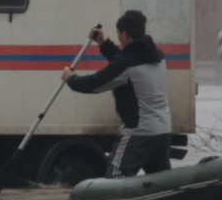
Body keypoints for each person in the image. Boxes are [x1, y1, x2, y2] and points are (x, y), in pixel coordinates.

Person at [65, 9, 174, 175]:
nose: (117, 36)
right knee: (159, 178)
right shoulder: (157, 56)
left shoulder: (127, 63)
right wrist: (104, 42)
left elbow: (95, 84)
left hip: (139, 132)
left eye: (118, 33)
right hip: (163, 130)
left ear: (125, 34)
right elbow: (125, 60)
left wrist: (71, 79)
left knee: (116, 176)